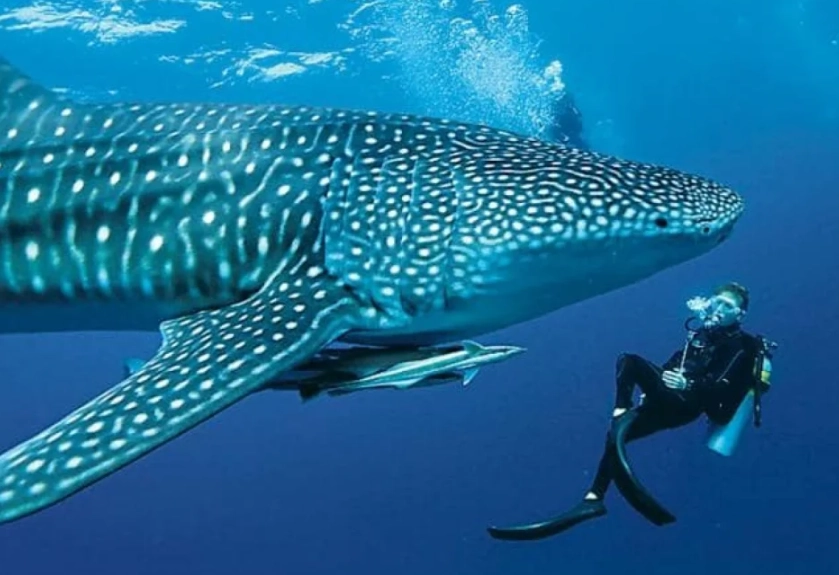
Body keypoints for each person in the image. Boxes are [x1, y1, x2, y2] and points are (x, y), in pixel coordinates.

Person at [487, 282, 777, 541]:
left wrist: (688, 384)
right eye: (716, 302)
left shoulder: (741, 345)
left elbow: (722, 385)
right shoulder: (701, 336)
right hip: (669, 400)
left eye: (727, 306)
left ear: (740, 315)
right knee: (616, 434)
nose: (719, 309)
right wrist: (656, 384)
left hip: (688, 405)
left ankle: (620, 412)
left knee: (630, 362)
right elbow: (674, 363)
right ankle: (594, 498)